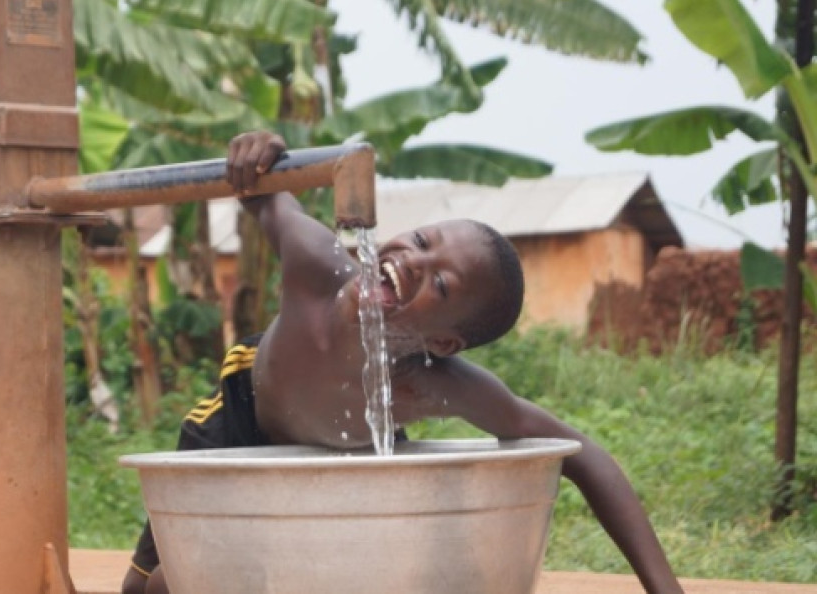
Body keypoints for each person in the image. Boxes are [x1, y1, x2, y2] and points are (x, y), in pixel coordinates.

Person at [121, 131, 684, 594]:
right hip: (238, 420)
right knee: (151, 587)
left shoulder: (431, 384)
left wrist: (665, 589)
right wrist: (259, 151)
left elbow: (585, 456)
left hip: (340, 476)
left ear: (443, 343)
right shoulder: (314, 264)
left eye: (441, 284)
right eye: (420, 239)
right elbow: (263, 194)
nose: (413, 260)